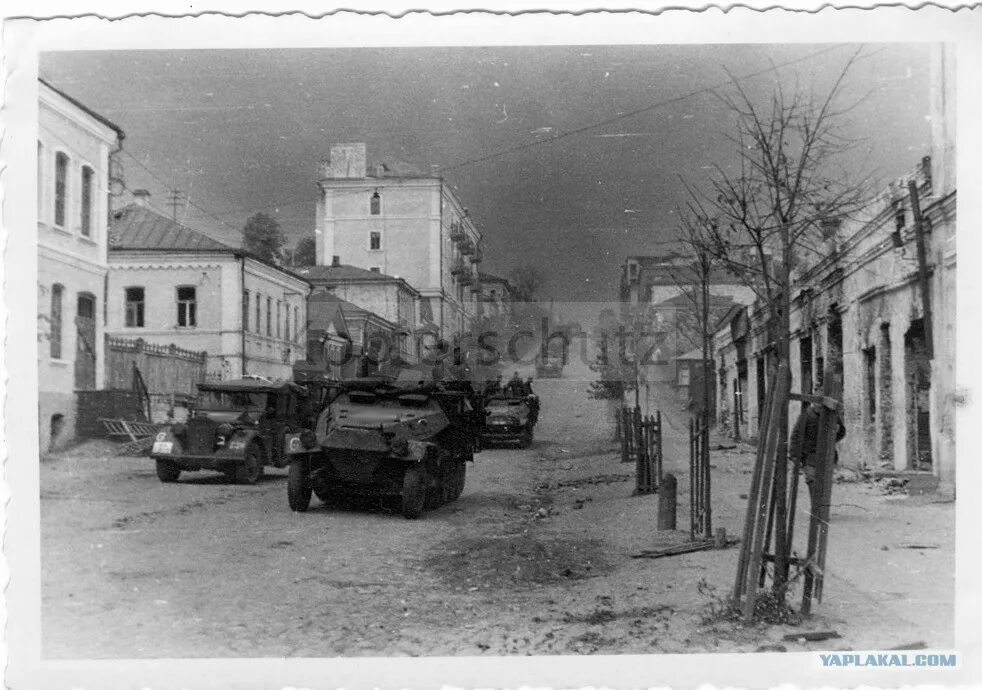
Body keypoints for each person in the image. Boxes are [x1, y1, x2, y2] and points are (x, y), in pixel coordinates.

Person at [790, 402, 846, 493]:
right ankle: (815, 506)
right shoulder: (806, 415)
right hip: (809, 457)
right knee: (812, 481)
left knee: (823, 488)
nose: (819, 406)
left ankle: (818, 506)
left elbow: (840, 434)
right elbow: (795, 435)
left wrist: (838, 430)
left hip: (826, 457)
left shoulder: (832, 416)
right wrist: (794, 455)